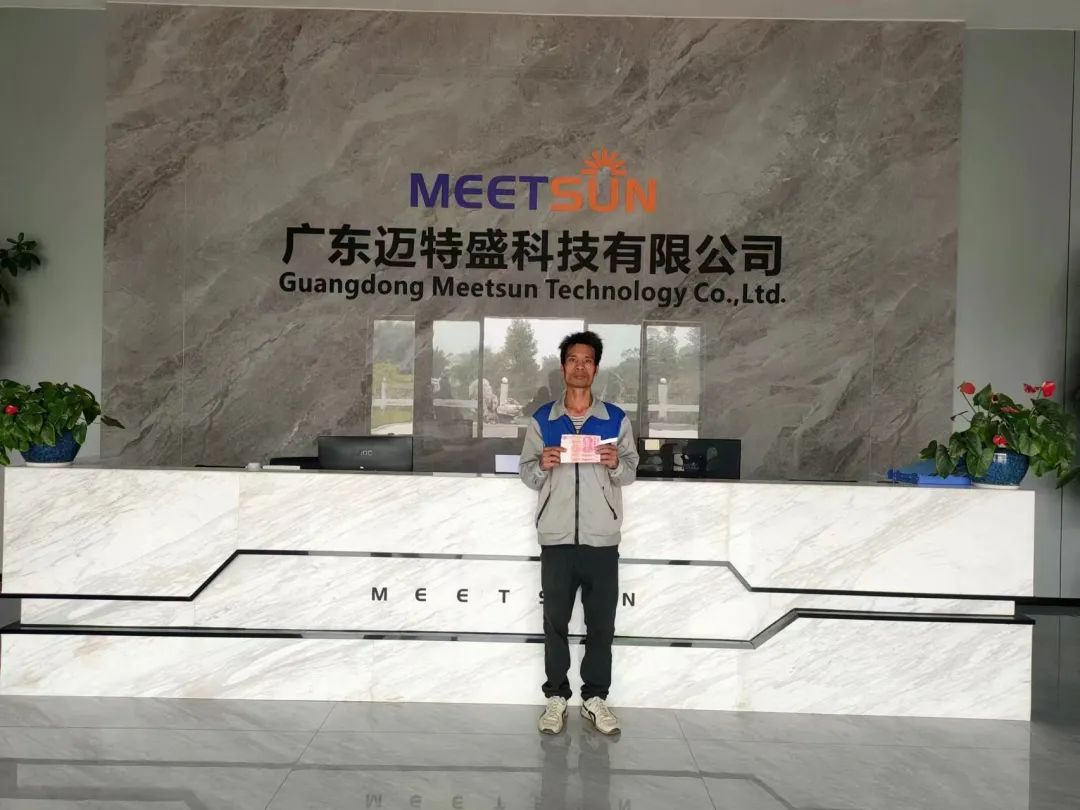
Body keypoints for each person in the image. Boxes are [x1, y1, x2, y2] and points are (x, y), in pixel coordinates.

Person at [519, 331, 639, 736]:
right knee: (555, 621)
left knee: (601, 623)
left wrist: (615, 462)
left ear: (596, 368)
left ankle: (594, 698)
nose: (580, 367)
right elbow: (527, 473)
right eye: (573, 359)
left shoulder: (615, 419)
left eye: (587, 360)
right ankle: (556, 697)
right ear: (563, 367)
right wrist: (543, 464)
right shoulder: (543, 419)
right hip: (556, 538)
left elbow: (630, 470)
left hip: (601, 538)